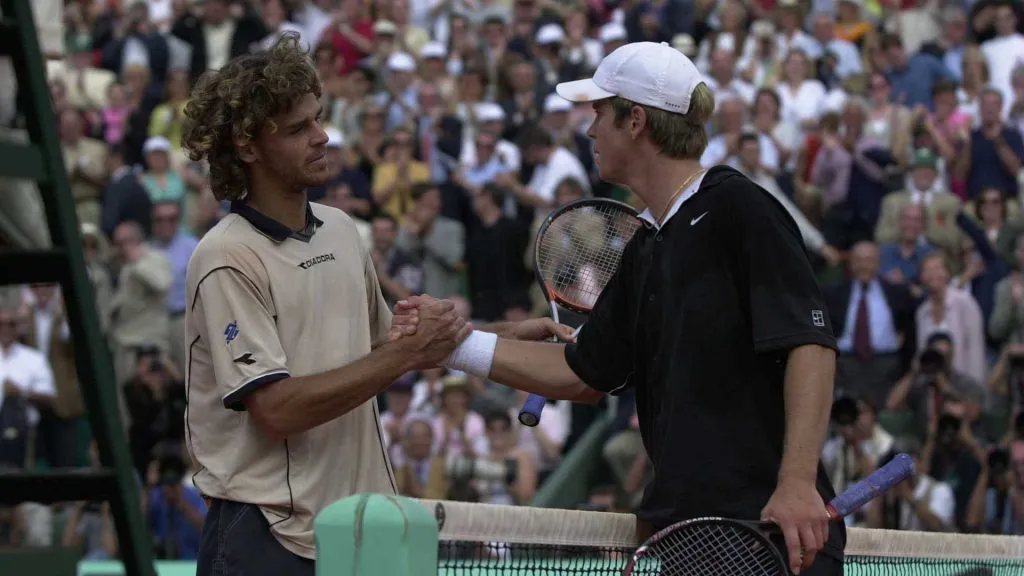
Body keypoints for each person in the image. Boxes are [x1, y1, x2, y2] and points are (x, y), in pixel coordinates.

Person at [395, 41, 843, 575]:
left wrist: (795, 483)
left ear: (635, 121)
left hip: (768, 533)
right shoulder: (647, 244)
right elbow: (584, 373)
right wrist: (453, 346)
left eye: (599, 114)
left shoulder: (737, 205)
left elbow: (810, 343)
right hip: (689, 534)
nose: (589, 131)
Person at [179, 35, 571, 576]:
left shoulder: (339, 229)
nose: (323, 137)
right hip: (268, 539)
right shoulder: (227, 256)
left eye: (319, 119)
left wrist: (501, 335)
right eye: (299, 130)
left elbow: (387, 342)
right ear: (248, 147)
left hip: (353, 534)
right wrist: (410, 355)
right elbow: (278, 410)